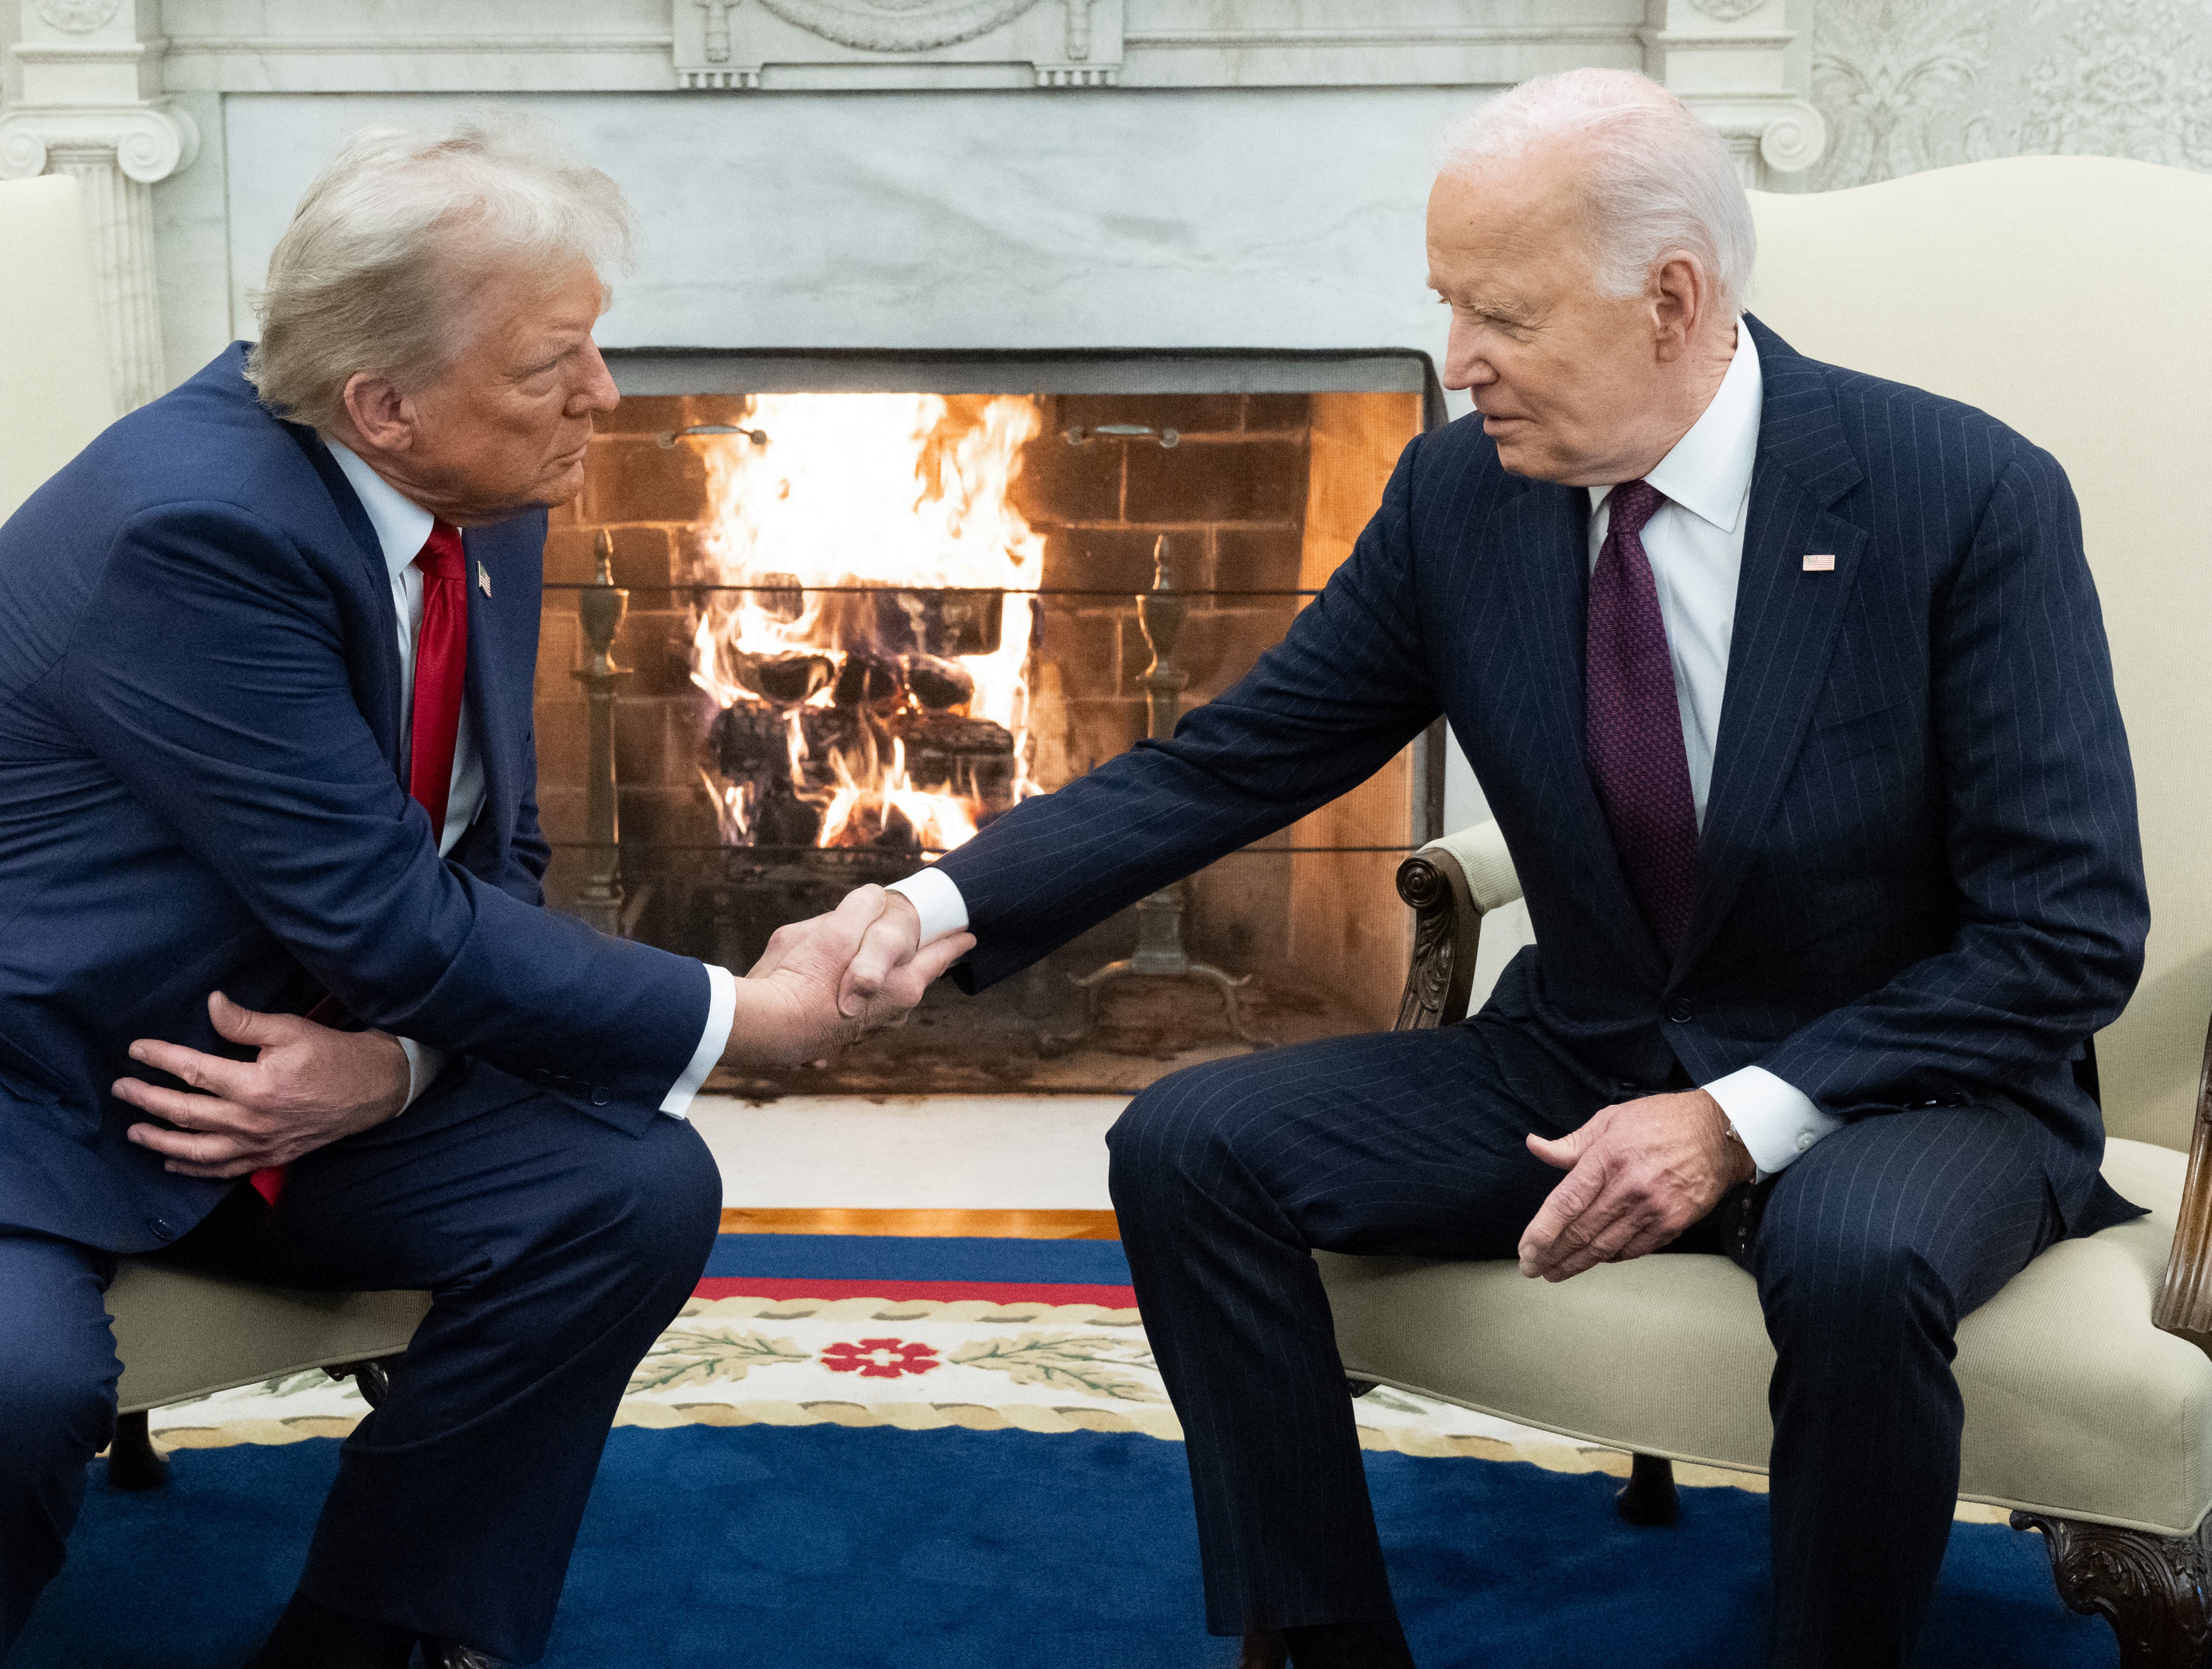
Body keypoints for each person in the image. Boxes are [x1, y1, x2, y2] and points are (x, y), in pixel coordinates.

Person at [843, 68, 2147, 1669]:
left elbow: (2064, 934)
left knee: (1855, 1255)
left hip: (1907, 1082)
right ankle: (1320, 1640)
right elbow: (1235, 757)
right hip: (1588, 1043)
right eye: (1447, 305)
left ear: (1671, 299)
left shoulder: (1960, 495)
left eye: (1503, 317)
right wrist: (934, 902)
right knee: (1190, 1143)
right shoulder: (1462, 495)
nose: (1457, 362)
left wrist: (1735, 1121)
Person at [0, 121, 961, 1669]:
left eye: (595, 346)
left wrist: (398, 1066)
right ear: (385, 402)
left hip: (256, 1071)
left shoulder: (475, 484)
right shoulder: (196, 527)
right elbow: (396, 919)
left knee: (626, 1191)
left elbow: (484, 860)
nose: (603, 398)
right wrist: (743, 1019)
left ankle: (369, 1635)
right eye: (555, 361)